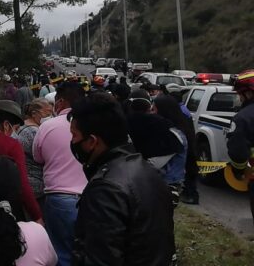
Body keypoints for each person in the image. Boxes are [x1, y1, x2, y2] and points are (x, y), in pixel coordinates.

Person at [69, 93, 175, 265]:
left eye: (74, 135)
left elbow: (101, 258)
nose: (72, 141)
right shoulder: (145, 169)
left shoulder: (106, 189)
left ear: (92, 141)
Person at [31, 81, 88, 266]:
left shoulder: (48, 127)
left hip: (59, 199)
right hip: (92, 198)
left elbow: (37, 157)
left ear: (61, 102)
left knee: (61, 254)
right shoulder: (93, 125)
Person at [124, 89, 184, 205]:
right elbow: (177, 147)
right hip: (161, 174)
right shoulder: (166, 125)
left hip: (134, 174)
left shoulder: (124, 122)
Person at [153, 94, 199, 205]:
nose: (151, 112)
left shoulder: (173, 134)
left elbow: (156, 163)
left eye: (153, 109)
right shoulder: (173, 129)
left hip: (168, 182)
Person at [226, 69, 254, 225]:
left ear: (249, 94)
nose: (239, 98)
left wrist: (238, 171)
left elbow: (238, 152)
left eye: (240, 94)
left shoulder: (243, 118)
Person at [18, 98, 52, 204]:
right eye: (47, 113)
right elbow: (45, 157)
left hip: (28, 183)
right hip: (35, 185)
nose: (50, 117)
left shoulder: (23, 127)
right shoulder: (33, 132)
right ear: (34, 113)